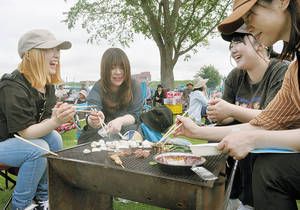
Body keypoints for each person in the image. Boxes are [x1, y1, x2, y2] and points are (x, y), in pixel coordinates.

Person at [174, 0, 300, 209]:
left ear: (281, 2)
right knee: (269, 167)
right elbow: (266, 122)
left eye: (250, 14)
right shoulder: (294, 72)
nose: (248, 27)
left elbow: (258, 131)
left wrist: (253, 137)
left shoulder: (282, 69)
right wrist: (196, 132)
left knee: (269, 166)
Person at [208, 25, 290, 210]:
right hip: (249, 128)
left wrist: (230, 109)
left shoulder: (280, 70)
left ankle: (249, 203)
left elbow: (272, 117)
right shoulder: (235, 75)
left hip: (277, 134)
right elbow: (228, 117)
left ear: (260, 43)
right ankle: (231, 196)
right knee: (214, 136)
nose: (233, 49)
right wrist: (219, 114)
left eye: (238, 42)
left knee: (245, 139)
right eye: (231, 45)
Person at [0, 29, 76, 210]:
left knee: (55, 138)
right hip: (3, 141)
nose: (57, 54)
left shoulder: (47, 83)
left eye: (58, 50)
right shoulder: (13, 85)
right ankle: (21, 206)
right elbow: (25, 132)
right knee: (38, 149)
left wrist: (55, 115)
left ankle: (42, 198)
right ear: (29, 55)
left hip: (17, 141)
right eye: (50, 49)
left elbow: (43, 124)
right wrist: (55, 122)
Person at [77, 48, 143, 144]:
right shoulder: (97, 88)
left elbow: (134, 115)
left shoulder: (135, 86)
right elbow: (91, 117)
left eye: (122, 67)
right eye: (112, 68)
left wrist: (120, 120)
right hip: (100, 132)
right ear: (105, 70)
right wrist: (94, 120)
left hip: (129, 130)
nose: (118, 72)